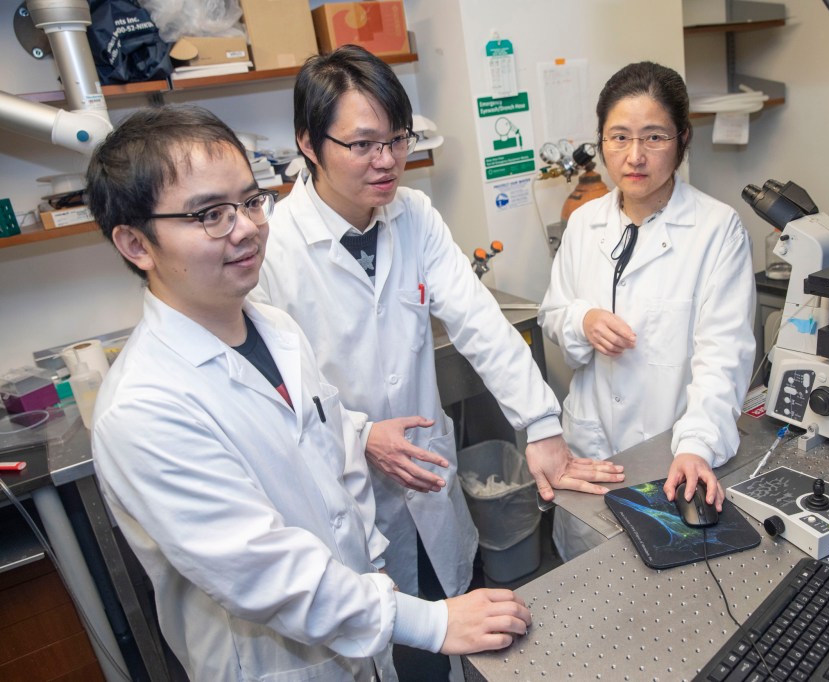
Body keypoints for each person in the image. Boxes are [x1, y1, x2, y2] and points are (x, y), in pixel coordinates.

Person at [86, 104, 531, 681]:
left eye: (249, 202)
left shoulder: (275, 330)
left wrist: (371, 559)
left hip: (356, 634)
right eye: (210, 215)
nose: (245, 227)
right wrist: (430, 623)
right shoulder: (144, 409)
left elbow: (332, 448)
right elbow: (265, 573)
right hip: (276, 663)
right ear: (136, 245)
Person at [255, 45, 623, 599]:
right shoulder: (270, 247)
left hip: (428, 477)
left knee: (451, 611)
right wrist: (357, 435)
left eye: (397, 139)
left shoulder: (414, 215)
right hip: (346, 493)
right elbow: (274, 392)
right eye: (362, 145)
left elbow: (479, 322)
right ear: (308, 143)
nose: (386, 160)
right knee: (386, 637)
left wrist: (541, 425)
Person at [539, 61, 756, 561]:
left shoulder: (716, 230)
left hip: (673, 450)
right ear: (601, 142)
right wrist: (582, 320)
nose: (634, 156)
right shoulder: (583, 223)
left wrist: (697, 444)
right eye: (619, 137)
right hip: (590, 449)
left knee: (669, 599)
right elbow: (553, 312)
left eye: (654, 137)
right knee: (587, 589)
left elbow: (723, 354)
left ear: (682, 140)